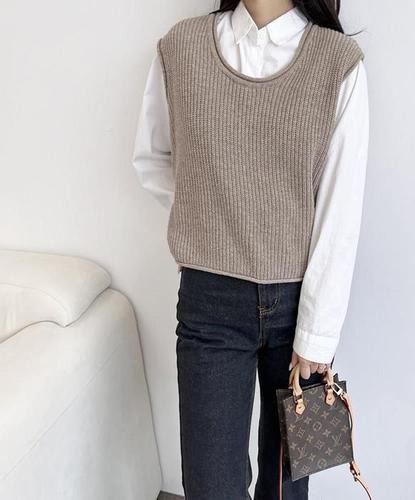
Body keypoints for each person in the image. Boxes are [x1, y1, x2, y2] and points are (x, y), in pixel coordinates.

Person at [133, 1, 369, 498]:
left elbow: (340, 208)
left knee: (286, 487)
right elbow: (153, 158)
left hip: (300, 306)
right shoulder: (182, 47)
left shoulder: (337, 62)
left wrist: (317, 334)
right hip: (210, 304)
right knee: (210, 485)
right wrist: (205, 226)